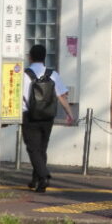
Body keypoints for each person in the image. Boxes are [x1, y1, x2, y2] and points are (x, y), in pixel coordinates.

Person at [22, 44, 74, 193]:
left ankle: (44, 176)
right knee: (41, 149)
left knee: (33, 149)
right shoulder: (53, 74)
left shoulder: (24, 75)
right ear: (44, 57)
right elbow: (61, 96)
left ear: (30, 57)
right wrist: (69, 113)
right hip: (47, 116)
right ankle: (36, 181)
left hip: (29, 115)